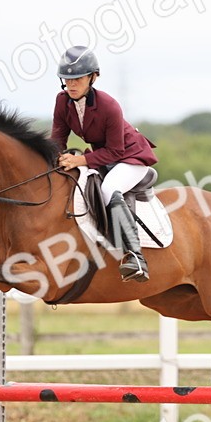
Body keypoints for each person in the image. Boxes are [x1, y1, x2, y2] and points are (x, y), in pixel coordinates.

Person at [52, 46, 157, 282]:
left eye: (77, 78)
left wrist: (80, 159)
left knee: (109, 189)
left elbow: (116, 150)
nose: (71, 84)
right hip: (103, 156)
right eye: (67, 79)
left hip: (130, 157)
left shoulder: (109, 105)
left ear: (93, 77)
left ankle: (135, 256)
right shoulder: (62, 101)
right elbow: (57, 140)